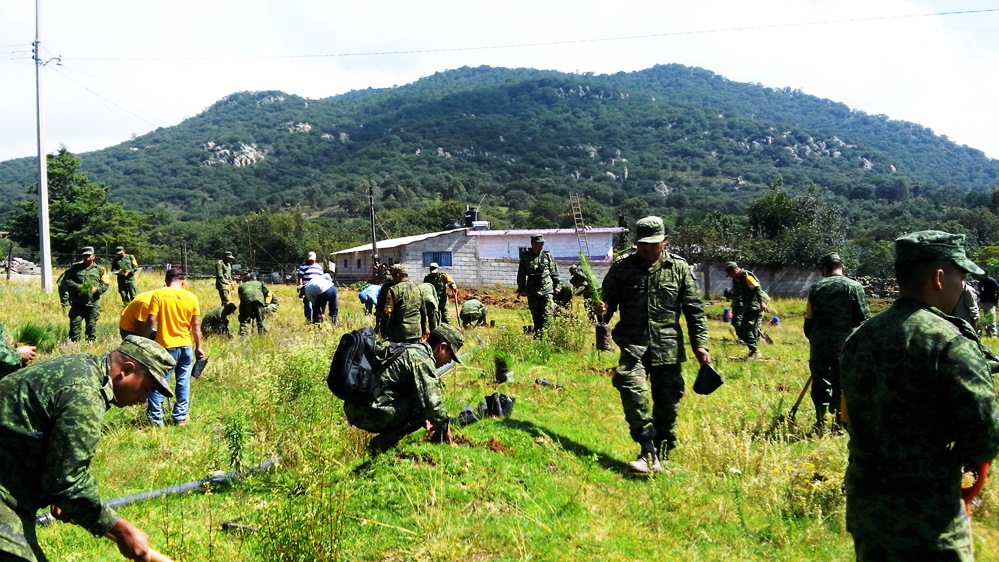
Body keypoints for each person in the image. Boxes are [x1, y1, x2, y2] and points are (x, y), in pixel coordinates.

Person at [841, 230, 999, 561]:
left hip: (868, 508)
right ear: (940, 278)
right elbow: (985, 436)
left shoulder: (860, 337)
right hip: (928, 518)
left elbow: (848, 416)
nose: (963, 285)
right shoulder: (950, 343)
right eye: (962, 275)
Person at [0, 335, 177, 562]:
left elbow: (54, 454)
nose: (144, 400)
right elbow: (69, 482)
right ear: (126, 369)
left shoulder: (82, 366)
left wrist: (59, 494)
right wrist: (122, 531)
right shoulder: (85, 393)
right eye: (147, 388)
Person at [599, 216, 711, 474]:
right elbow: (606, 307)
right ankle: (647, 448)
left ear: (665, 241)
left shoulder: (679, 269)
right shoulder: (622, 269)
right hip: (633, 344)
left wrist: (701, 345)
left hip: (668, 347)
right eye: (642, 244)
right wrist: (601, 310)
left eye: (653, 243)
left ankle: (662, 454)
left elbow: (694, 310)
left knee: (668, 402)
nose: (647, 249)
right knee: (630, 386)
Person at [343, 324, 464, 452]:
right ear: (442, 347)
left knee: (421, 403)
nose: (448, 362)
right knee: (423, 407)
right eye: (450, 356)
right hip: (368, 413)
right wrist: (446, 430)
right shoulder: (422, 359)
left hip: (355, 406)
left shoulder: (410, 348)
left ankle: (383, 443)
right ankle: (383, 444)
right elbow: (432, 404)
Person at [802, 252, 871, 433]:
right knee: (842, 382)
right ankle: (840, 423)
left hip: (819, 344)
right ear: (843, 267)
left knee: (820, 381)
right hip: (844, 345)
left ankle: (820, 420)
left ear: (824, 269)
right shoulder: (854, 286)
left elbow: (809, 319)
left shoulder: (816, 287)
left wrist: (815, 340)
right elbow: (863, 320)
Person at [145, 269, 204, 427]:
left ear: (166, 281)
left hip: (165, 347)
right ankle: (181, 417)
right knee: (183, 382)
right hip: (186, 346)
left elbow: (151, 319)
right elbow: (196, 326)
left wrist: (143, 339)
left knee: (158, 382)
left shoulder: (159, 295)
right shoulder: (192, 297)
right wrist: (199, 347)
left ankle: (155, 419)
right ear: (183, 281)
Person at [62, 246, 110, 342]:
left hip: (92, 303)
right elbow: (67, 281)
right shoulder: (75, 268)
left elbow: (105, 284)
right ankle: (74, 344)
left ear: (93, 256)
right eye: (84, 256)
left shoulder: (100, 269)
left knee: (91, 325)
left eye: (88, 255)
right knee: (75, 324)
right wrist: (78, 287)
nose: (86, 257)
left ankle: (90, 344)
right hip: (77, 303)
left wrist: (97, 289)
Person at [724, 261, 770, 359]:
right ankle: (754, 350)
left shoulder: (746, 276)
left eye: (730, 274)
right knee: (743, 329)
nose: (731, 277)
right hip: (749, 306)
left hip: (754, 306)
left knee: (745, 328)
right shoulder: (740, 278)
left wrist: (761, 302)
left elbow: (757, 288)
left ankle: (755, 351)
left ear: (734, 271)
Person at [517, 234, 560, 336]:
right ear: (532, 244)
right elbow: (521, 274)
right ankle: (539, 336)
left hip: (546, 288)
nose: (540, 245)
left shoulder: (547, 256)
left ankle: (549, 337)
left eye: (542, 243)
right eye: (538, 243)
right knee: (536, 315)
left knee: (548, 313)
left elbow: (554, 272)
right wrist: (521, 288)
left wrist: (557, 286)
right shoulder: (525, 257)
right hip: (532, 290)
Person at [375, 264, 428, 343]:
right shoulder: (418, 288)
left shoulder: (393, 290)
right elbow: (423, 311)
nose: (392, 279)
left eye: (393, 276)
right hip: (416, 332)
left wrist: (384, 331)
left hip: (399, 334)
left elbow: (387, 313)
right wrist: (424, 328)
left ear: (398, 275)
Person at [297, 251, 325, 321]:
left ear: (315, 259)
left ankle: (317, 320)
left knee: (316, 305)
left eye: (312, 260)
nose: (311, 261)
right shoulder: (303, 266)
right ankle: (309, 319)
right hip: (307, 289)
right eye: (309, 259)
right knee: (308, 305)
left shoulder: (319, 267)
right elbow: (300, 276)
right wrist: (300, 286)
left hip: (317, 289)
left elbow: (322, 277)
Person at [976, 270, 999, 336]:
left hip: (990, 303)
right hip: (982, 302)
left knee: (991, 319)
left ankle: (993, 334)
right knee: (983, 319)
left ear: (985, 273)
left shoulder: (991, 281)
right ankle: (988, 333)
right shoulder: (981, 281)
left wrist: (996, 299)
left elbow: (998, 289)